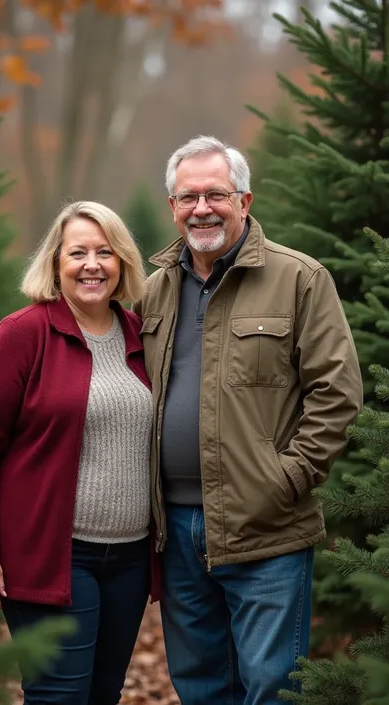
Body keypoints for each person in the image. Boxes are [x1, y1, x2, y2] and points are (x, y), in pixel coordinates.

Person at [134, 135, 363, 705]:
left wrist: (284, 482)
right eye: (188, 196)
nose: (202, 208)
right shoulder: (152, 289)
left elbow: (337, 394)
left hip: (267, 527)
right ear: (172, 206)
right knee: (201, 685)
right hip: (177, 531)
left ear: (245, 199)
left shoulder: (299, 279)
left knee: (270, 686)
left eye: (217, 194)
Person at [0, 200, 158, 705]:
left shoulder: (140, 334)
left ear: (123, 263)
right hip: (53, 554)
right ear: (55, 263)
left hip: (130, 558)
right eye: (78, 253)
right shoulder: (23, 335)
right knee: (59, 696)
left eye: (105, 252)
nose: (92, 265)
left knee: (103, 693)